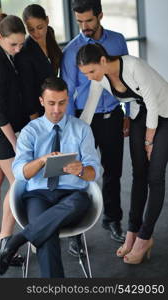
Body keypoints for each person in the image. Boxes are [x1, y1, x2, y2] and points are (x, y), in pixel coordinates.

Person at [0, 77, 100, 277]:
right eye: (51, 103)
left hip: (71, 195)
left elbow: (94, 172)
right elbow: (20, 173)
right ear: (42, 101)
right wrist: (42, 160)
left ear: (68, 99)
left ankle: (18, 240)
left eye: (62, 103)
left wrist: (80, 170)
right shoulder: (30, 131)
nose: (57, 110)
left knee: (81, 201)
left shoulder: (82, 129)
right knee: (46, 235)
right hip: (38, 196)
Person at [76, 42, 168, 264]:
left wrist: (149, 141)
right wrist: (75, 135)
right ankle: (132, 233)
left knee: (154, 177)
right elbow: (89, 109)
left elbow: (153, 105)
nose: (89, 77)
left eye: (91, 71)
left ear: (103, 61)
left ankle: (145, 237)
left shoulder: (133, 65)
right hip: (140, 114)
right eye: (85, 74)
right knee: (138, 174)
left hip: (163, 113)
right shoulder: (101, 79)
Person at [60, 0, 129, 256]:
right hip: (83, 120)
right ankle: (75, 231)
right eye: (79, 22)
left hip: (112, 115)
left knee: (113, 172)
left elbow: (125, 78)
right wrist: (69, 128)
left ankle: (113, 220)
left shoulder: (118, 41)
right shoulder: (71, 51)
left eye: (88, 20)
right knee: (77, 175)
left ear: (100, 15)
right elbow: (67, 90)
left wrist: (128, 113)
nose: (84, 27)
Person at [0, 13, 28, 265]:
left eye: (21, 43)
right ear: (0, 37)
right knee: (18, 180)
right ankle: (5, 243)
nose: (18, 48)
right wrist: (14, 143)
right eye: (14, 44)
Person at [15, 4, 62, 120]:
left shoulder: (50, 33)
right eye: (31, 30)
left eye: (40, 27)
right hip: (38, 112)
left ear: (47, 20)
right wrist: (36, 124)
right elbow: (27, 93)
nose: (36, 33)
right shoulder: (24, 53)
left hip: (56, 105)